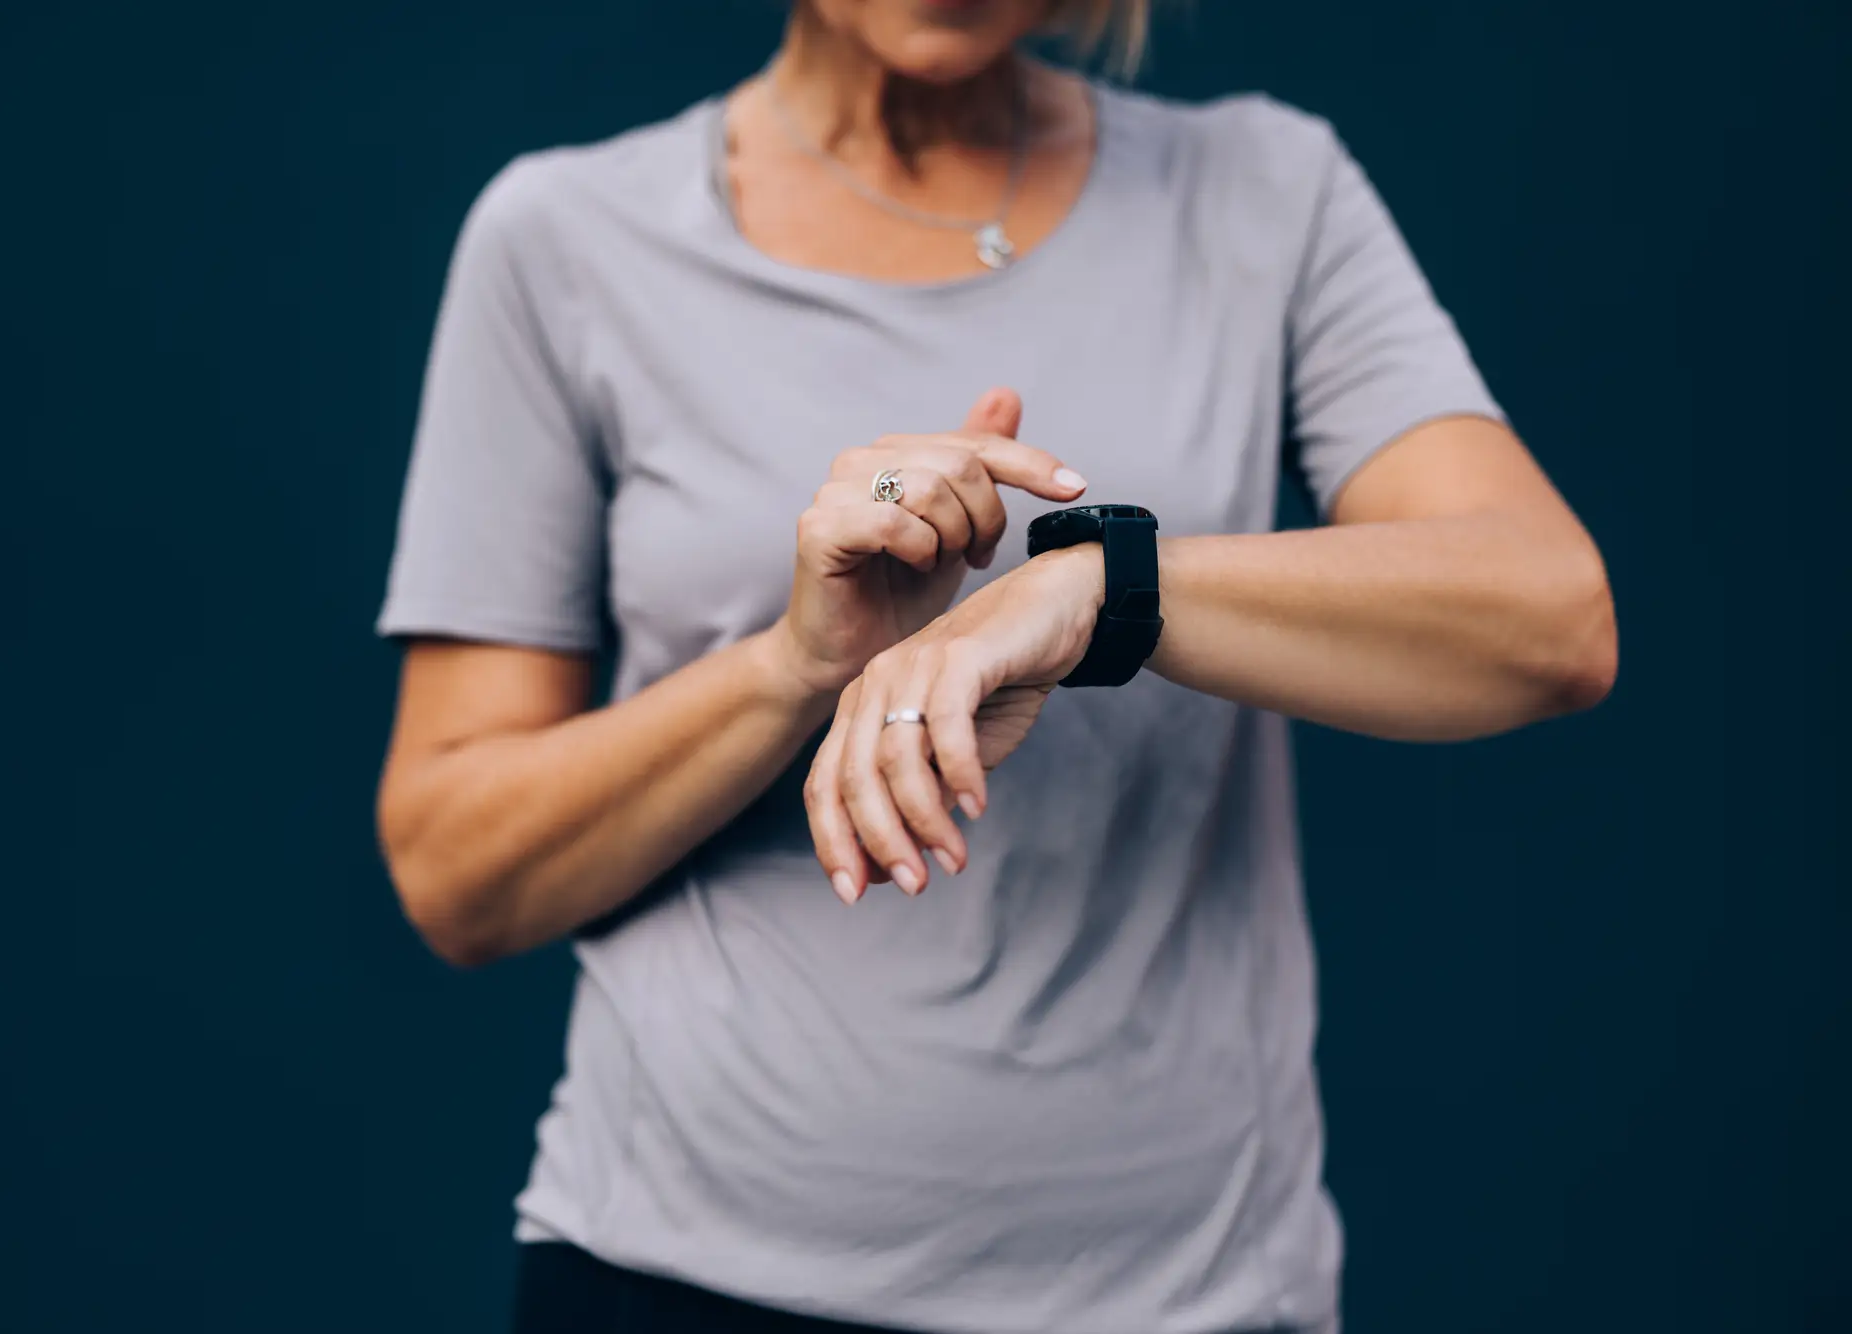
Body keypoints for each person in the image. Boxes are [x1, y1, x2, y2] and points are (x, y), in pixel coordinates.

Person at [373, 1, 1618, 1330]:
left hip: (1192, 1296)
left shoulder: (1267, 191)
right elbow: (458, 872)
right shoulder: (564, 238)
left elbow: (1550, 616)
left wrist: (1093, 589)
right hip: (681, 1276)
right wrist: (801, 661)